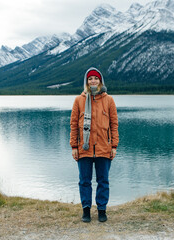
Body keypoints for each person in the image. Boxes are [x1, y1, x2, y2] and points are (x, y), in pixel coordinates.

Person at [70, 67, 119, 222]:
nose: (93, 81)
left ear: (100, 81)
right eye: (90, 79)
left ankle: (102, 210)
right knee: (84, 181)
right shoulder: (79, 100)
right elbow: (73, 125)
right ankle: (86, 210)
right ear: (86, 81)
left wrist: (114, 146)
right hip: (84, 148)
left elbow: (114, 124)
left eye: (95, 78)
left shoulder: (109, 100)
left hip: (104, 148)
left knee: (103, 181)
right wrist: (74, 147)